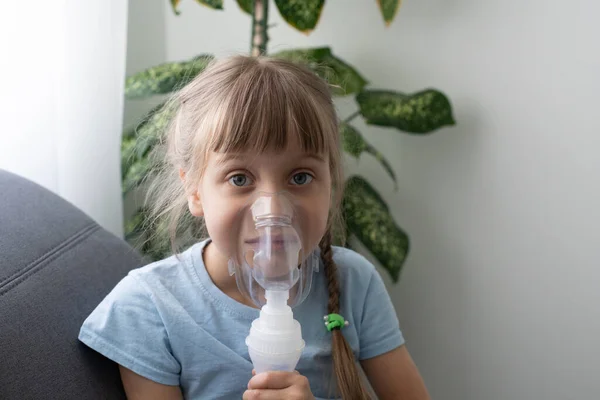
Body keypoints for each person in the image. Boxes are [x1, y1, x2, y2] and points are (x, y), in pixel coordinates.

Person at [79, 55, 430, 400]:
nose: (273, 210)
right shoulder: (149, 308)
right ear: (194, 190)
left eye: (300, 176)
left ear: (331, 184)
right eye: (239, 178)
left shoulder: (355, 283)